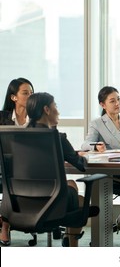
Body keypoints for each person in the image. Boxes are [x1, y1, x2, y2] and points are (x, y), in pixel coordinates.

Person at [80, 86, 120, 247]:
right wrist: (96, 146)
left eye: (118, 99)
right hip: (111, 175)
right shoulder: (97, 123)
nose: (117, 103)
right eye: (112, 101)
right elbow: (85, 144)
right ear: (103, 104)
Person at [25, 92, 88, 247]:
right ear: (47, 109)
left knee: (71, 184)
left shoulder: (17, 137)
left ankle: (68, 238)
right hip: (52, 202)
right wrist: (81, 155)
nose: (58, 111)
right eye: (56, 107)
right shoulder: (57, 138)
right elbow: (81, 165)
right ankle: (71, 244)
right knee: (79, 198)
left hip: (22, 202)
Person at [0, 77, 34, 246]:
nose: (30, 96)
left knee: (12, 179)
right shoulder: (2, 118)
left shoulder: (37, 118)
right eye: (25, 93)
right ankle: (5, 225)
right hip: (5, 168)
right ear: (13, 97)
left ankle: (6, 223)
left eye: (32, 93)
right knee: (9, 179)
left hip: (32, 167)